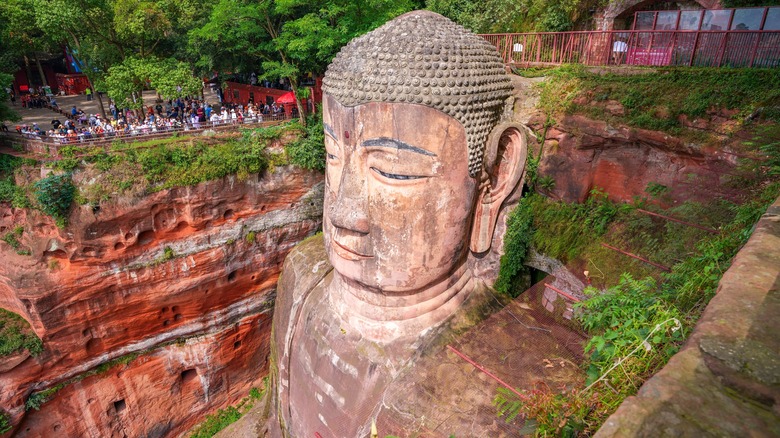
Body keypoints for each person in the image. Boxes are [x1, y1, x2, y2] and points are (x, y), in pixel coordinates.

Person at [266, 11, 525, 437]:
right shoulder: (301, 275)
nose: (341, 213)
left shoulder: (485, 401)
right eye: (333, 157)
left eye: (394, 172)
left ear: (495, 178)